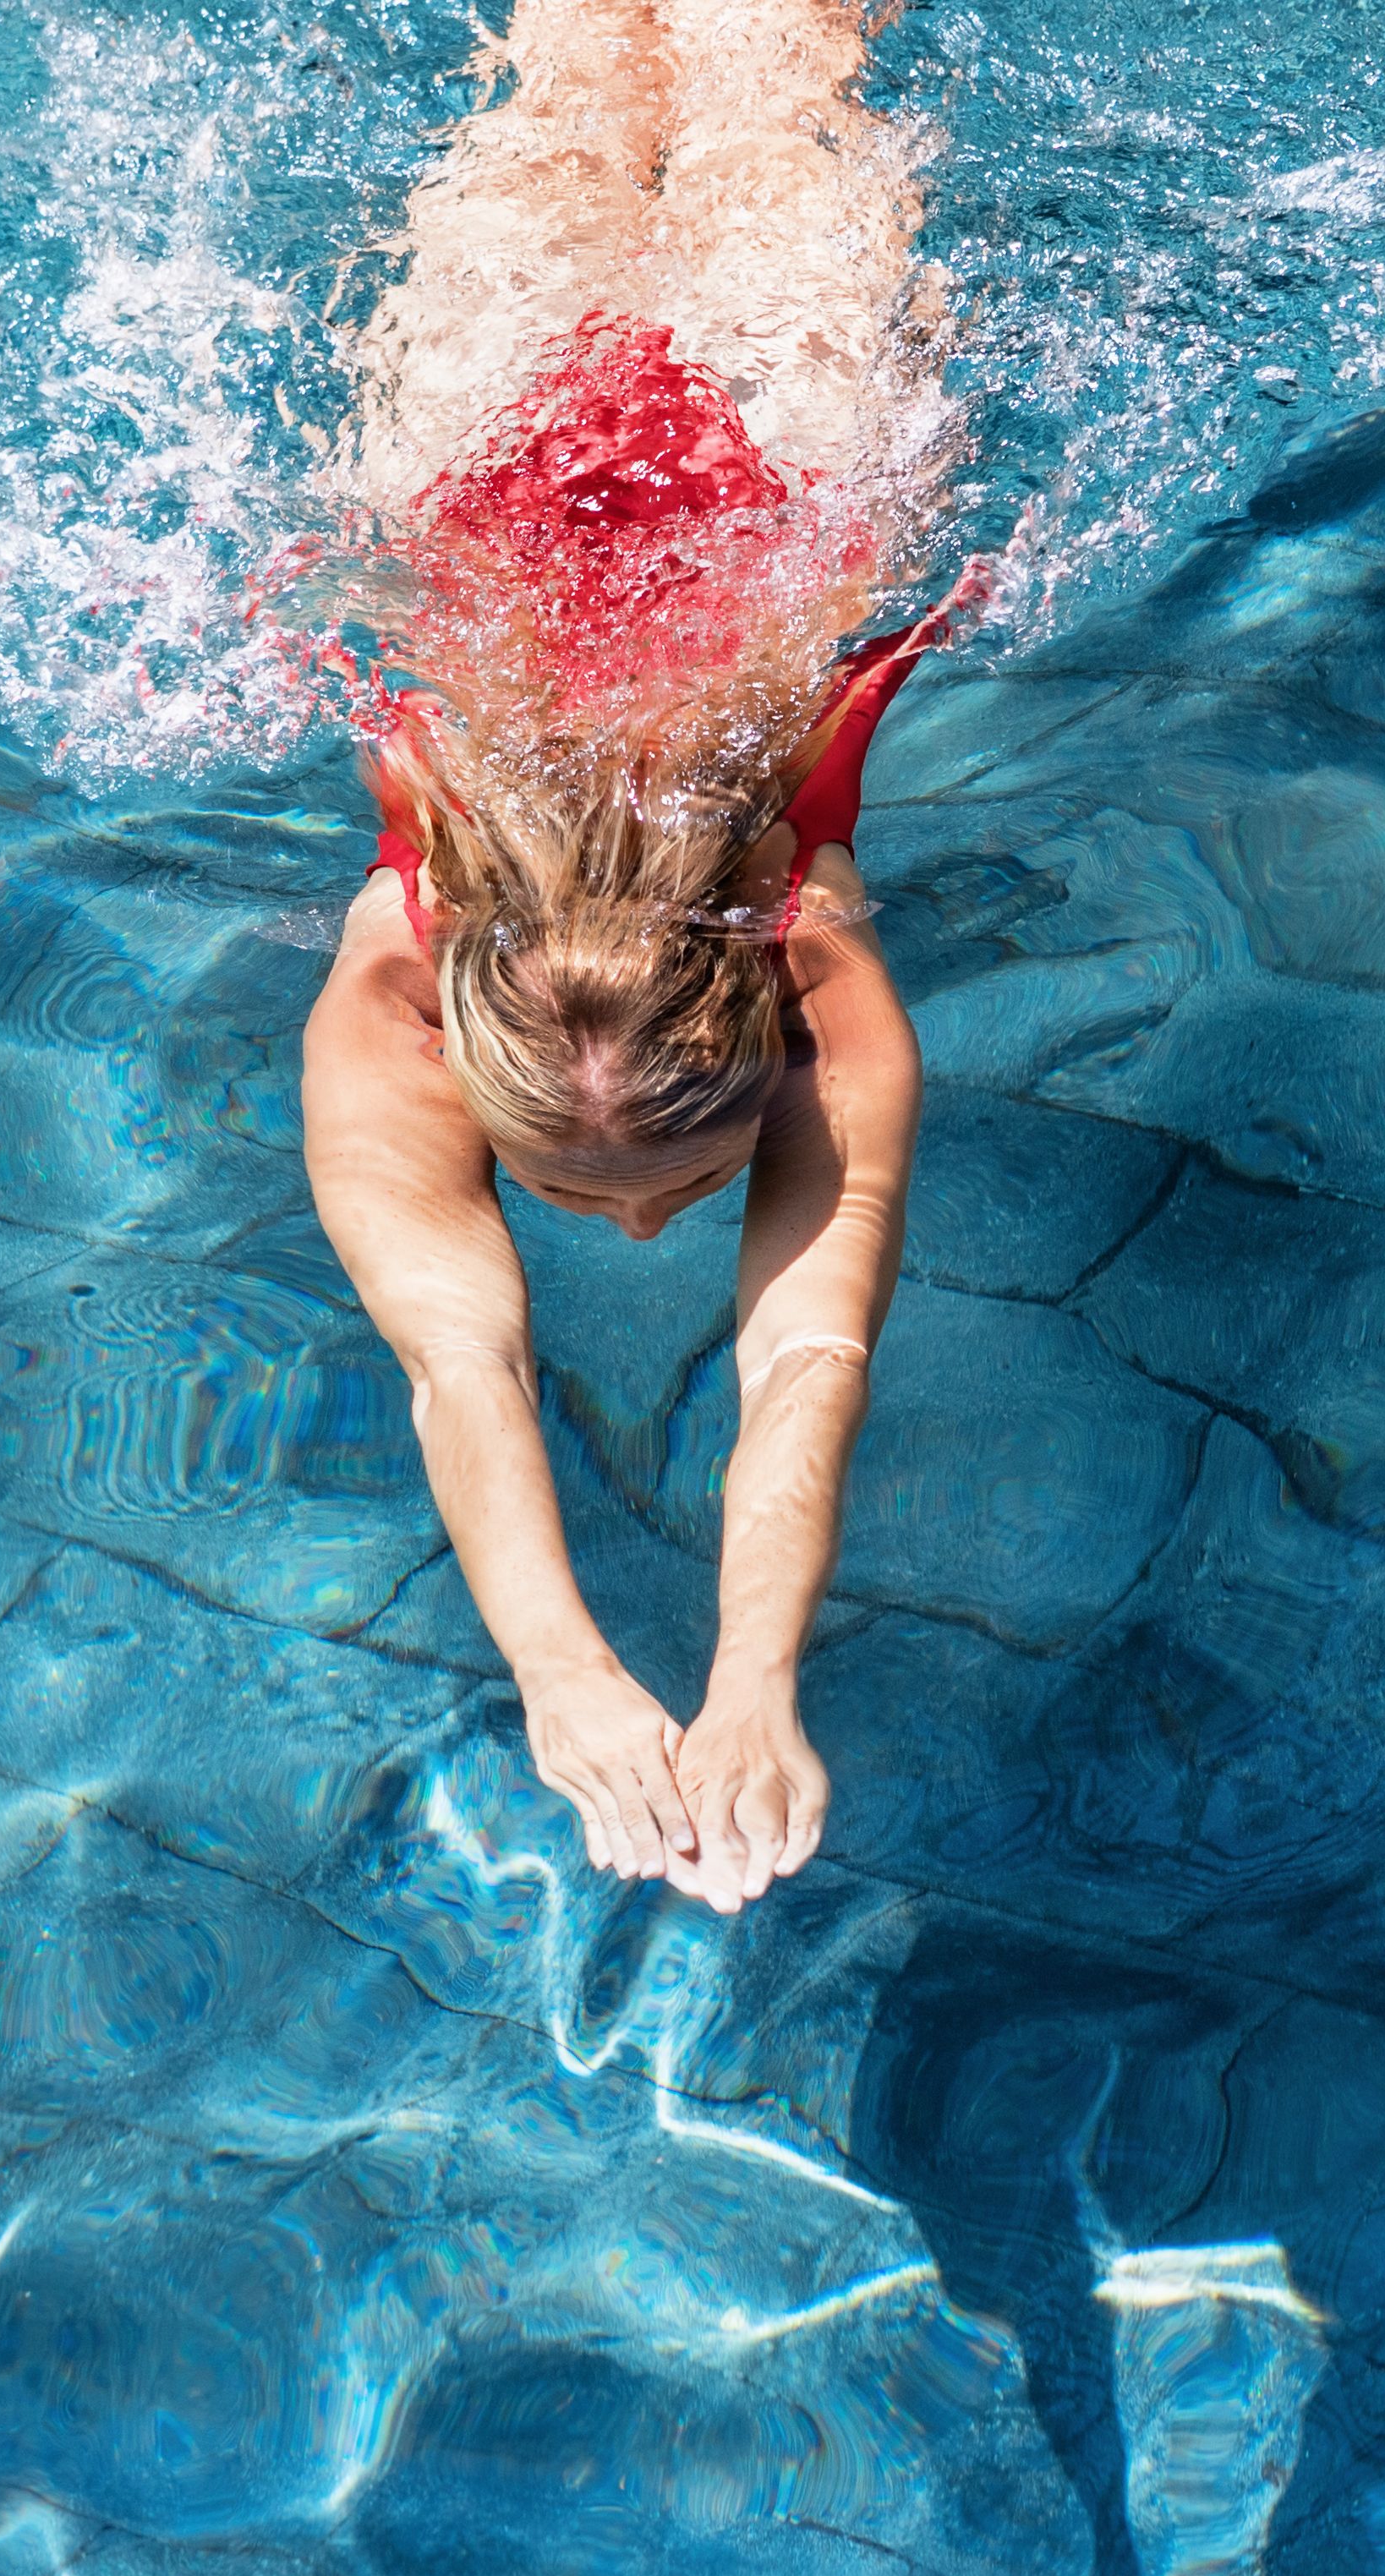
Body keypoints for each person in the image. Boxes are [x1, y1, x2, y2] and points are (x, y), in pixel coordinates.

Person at [296, 0, 970, 1914]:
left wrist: (733, 1676)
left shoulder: (822, 984)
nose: (665, 1235)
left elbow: (798, 1347)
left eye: (681, 1180)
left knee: (620, 51)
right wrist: (583, 1679)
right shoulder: (402, 991)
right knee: (731, 51)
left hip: (667, 443)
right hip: (615, 441)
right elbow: (478, 1361)